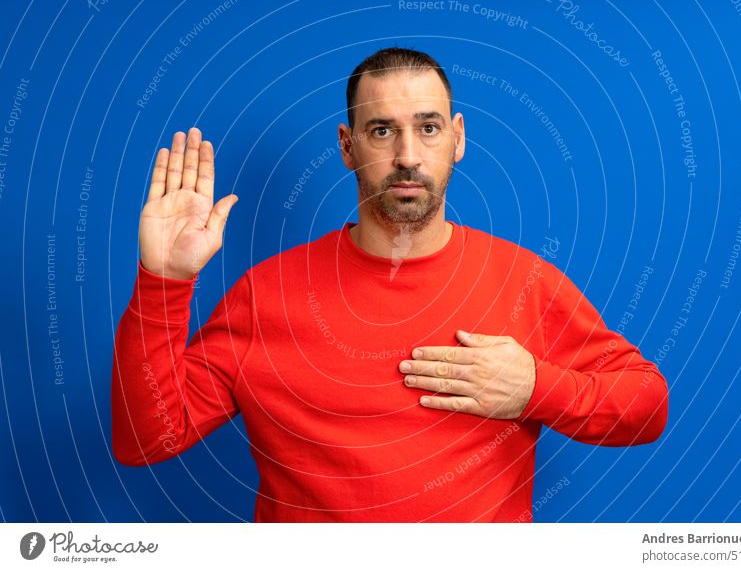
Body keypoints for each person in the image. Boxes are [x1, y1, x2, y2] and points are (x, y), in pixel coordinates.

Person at [111, 47, 669, 522]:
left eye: (427, 128)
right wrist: (164, 280)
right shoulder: (265, 294)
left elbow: (646, 405)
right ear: (348, 145)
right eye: (382, 131)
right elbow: (145, 440)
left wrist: (536, 389)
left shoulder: (523, 282)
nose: (407, 156)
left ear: (457, 139)